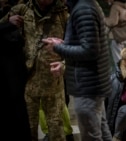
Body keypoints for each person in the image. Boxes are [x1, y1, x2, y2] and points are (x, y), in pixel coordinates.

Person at [41, 0, 113, 140]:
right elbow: (88, 44)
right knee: (102, 132)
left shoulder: (83, 9)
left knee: (92, 136)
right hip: (92, 83)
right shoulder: (86, 6)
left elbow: (90, 50)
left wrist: (58, 48)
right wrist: (63, 47)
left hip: (88, 86)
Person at [0, 0, 69, 140]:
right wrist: (7, 20)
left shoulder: (63, 13)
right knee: (28, 127)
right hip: (27, 80)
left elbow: (74, 44)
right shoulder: (22, 10)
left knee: (56, 128)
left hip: (53, 80)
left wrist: (64, 64)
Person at [0, 0, 31, 140]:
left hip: (17, 66)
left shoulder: (19, 6)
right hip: (6, 68)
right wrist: (7, 23)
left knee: (20, 107)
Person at [104, 0, 126, 64]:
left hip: (117, 37)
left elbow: (113, 22)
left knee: (119, 61)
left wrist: (104, 19)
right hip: (125, 36)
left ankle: (122, 73)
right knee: (124, 59)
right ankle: (125, 73)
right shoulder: (125, 6)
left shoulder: (115, 7)